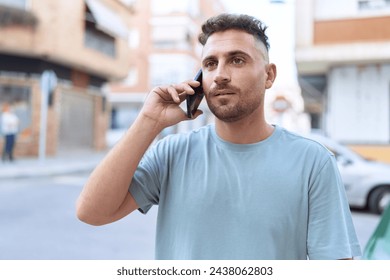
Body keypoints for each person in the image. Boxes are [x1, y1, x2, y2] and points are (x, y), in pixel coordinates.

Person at [77, 13, 361, 260]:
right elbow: (92, 212)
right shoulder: (172, 153)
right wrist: (149, 122)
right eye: (210, 64)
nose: (220, 75)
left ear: (269, 76)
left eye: (237, 60)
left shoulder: (313, 162)